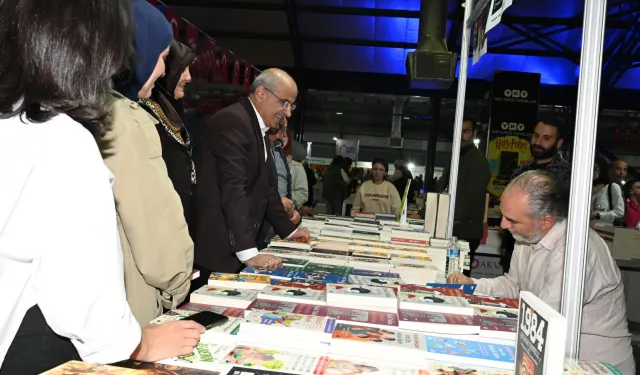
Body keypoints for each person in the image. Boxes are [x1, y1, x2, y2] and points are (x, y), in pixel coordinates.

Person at [0, 1, 203, 373]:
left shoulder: (14, 118)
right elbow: (81, 299)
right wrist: (138, 342)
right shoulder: (63, 139)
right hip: (38, 347)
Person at [448, 171, 634, 374]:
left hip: (592, 364)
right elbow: (514, 285)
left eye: (512, 220)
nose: (503, 224)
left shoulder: (575, 250)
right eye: (503, 215)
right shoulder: (526, 235)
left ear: (545, 221)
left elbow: (545, 317)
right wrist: (473, 285)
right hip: (553, 355)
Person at [107, 0, 193, 326]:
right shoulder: (123, 118)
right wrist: (178, 282)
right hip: (127, 304)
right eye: (161, 59)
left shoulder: (64, 107)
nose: (161, 71)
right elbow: (150, 218)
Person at [194, 68, 310, 279]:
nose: (288, 113)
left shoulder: (257, 127)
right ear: (261, 94)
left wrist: (289, 230)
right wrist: (248, 252)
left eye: (291, 106)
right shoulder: (232, 122)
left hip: (236, 247)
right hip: (218, 249)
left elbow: (266, 187)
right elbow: (233, 189)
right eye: (284, 103)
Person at [139, 40, 197, 236]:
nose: (189, 77)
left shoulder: (174, 110)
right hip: (157, 229)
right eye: (183, 69)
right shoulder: (142, 113)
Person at [502, 117, 571, 271]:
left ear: (559, 143)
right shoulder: (521, 171)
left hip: (549, 254)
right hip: (516, 247)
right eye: (536, 135)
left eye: (546, 138)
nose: (538, 142)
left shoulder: (567, 176)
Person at [436, 118, 490, 274]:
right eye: (458, 132)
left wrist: (442, 218)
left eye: (465, 131)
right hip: (453, 228)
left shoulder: (478, 162)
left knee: (457, 278)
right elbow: (442, 186)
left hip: (464, 233)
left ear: (472, 134)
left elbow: (468, 201)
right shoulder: (456, 156)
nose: (460, 136)